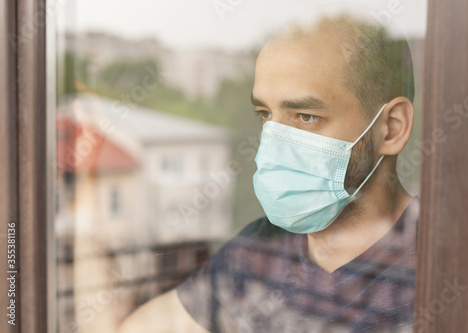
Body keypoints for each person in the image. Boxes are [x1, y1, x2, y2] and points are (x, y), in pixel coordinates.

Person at [119, 13, 418, 333]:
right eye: (265, 114)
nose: (272, 142)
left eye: (305, 116)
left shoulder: (440, 266)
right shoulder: (260, 247)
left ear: (390, 129)